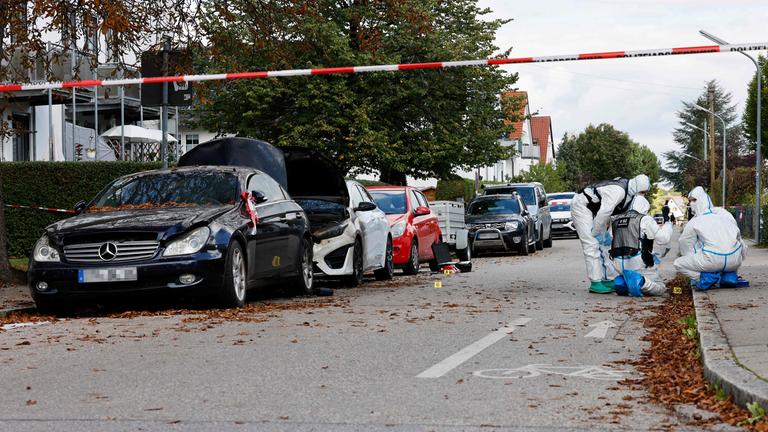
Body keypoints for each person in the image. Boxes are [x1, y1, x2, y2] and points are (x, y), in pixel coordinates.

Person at [571, 174, 651, 294]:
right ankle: (595, 282)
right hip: (582, 206)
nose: (642, 195)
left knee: (606, 244)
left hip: (596, 210)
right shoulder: (618, 191)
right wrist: (595, 232)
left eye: (645, 193)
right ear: (636, 187)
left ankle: (608, 279)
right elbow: (605, 212)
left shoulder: (629, 194)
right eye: (642, 192)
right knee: (591, 243)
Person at [674, 186, 747, 285]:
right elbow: (738, 238)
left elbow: (685, 243)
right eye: (690, 201)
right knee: (736, 246)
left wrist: (694, 258)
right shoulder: (724, 214)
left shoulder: (695, 221)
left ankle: (707, 278)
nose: (691, 203)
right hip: (734, 261)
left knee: (678, 263)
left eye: (693, 200)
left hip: (711, 260)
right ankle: (730, 275)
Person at [609, 196, 673, 296]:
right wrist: (668, 223)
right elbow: (663, 239)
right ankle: (640, 281)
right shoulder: (645, 219)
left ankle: (622, 282)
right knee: (660, 288)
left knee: (631, 274)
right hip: (638, 262)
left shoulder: (615, 219)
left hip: (617, 263)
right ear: (644, 207)